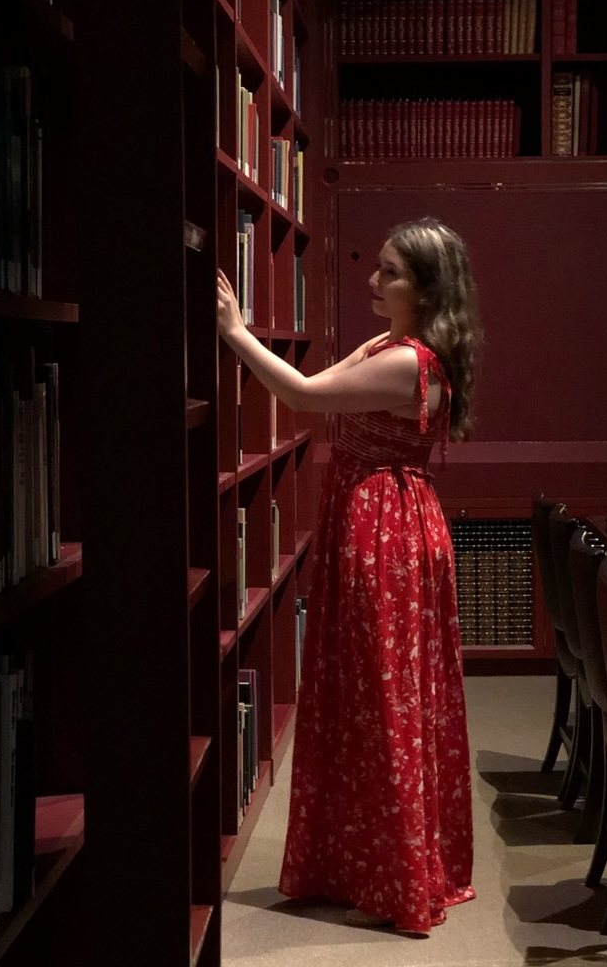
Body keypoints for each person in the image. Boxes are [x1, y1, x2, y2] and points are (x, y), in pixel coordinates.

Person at [215, 216, 481, 936]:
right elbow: (321, 386)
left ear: (425, 289)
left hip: (383, 533)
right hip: (386, 522)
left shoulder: (407, 360)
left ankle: (395, 877)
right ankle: (366, 865)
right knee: (371, 694)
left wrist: (236, 332)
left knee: (380, 697)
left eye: (390, 271)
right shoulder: (398, 349)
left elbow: (302, 395)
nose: (374, 278)